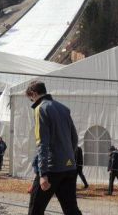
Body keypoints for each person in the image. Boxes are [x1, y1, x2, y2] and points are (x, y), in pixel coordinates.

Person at [26, 81, 82, 215]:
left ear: (34, 94)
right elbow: (74, 138)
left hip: (51, 169)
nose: (31, 101)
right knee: (71, 209)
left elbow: (42, 143)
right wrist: (68, 158)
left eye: (30, 98)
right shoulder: (64, 108)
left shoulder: (41, 108)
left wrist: (43, 173)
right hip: (69, 167)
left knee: (35, 210)